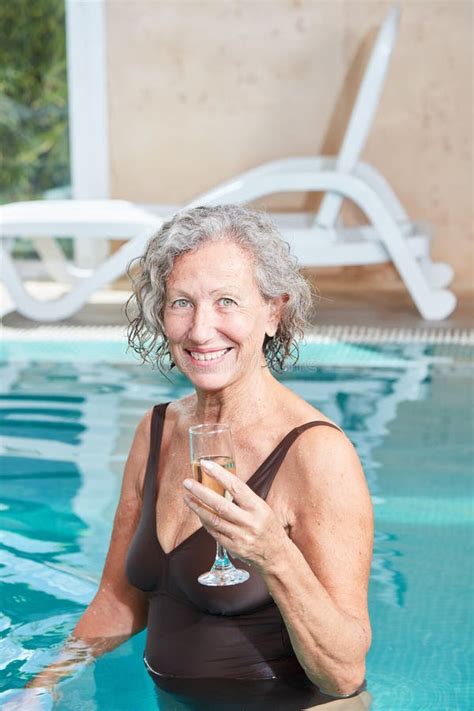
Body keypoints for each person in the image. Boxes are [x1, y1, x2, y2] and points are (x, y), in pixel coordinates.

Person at [11, 205, 373, 711]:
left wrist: (275, 555)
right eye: (182, 303)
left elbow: (343, 673)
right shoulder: (155, 431)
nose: (201, 331)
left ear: (274, 312)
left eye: (227, 302)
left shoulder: (316, 454)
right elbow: (117, 604)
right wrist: (41, 686)